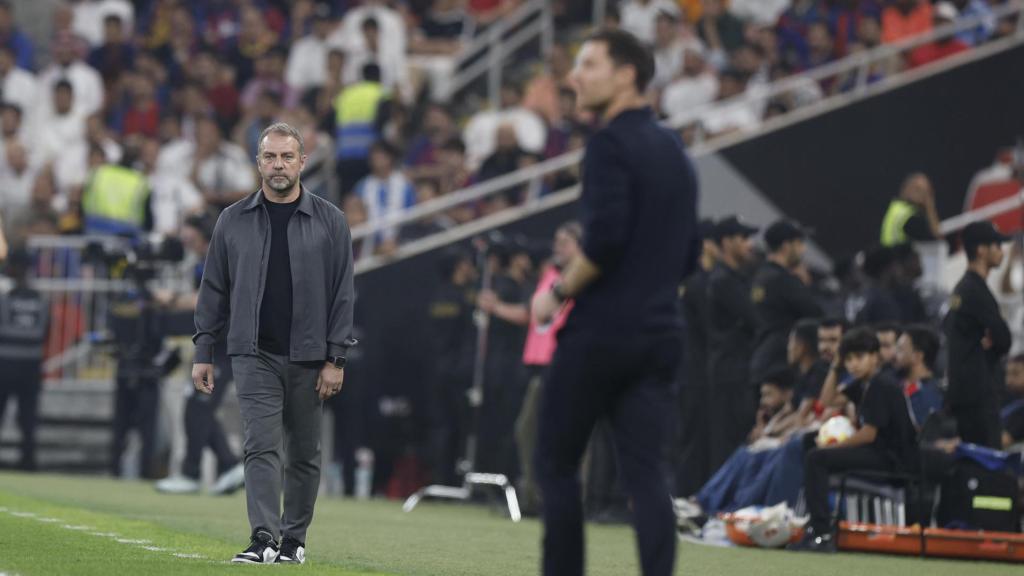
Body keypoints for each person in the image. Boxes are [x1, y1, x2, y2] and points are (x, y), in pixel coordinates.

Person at [530, 29, 697, 576]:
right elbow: (690, 252)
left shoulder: (608, 145)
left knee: (555, 462)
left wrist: (556, 294)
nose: (574, 76)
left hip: (602, 333)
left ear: (627, 75)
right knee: (647, 476)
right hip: (662, 333)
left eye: (589, 64)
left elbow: (603, 242)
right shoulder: (676, 150)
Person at [193, 123, 356, 564]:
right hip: (253, 353)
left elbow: (343, 294)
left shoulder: (331, 221)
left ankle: (293, 540)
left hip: (310, 357)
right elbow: (213, 290)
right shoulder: (232, 220)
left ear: (303, 162)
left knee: (303, 453)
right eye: (270, 157)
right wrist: (203, 350)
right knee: (260, 445)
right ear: (258, 162)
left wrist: (336, 358)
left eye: (286, 157)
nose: (278, 165)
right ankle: (264, 537)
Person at [790, 327, 920, 552]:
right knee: (810, 441)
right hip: (876, 451)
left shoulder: (882, 384)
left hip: (892, 459)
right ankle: (813, 520)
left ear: (875, 357)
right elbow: (827, 400)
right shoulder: (862, 383)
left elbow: (869, 434)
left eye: (859, 357)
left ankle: (822, 533)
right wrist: (835, 365)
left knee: (817, 458)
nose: (853, 364)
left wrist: (833, 447)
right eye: (848, 359)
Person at [155, 214, 245, 495]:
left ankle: (191, 473)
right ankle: (229, 465)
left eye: (190, 235)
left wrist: (172, 299)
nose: (186, 240)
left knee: (197, 407)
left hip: (225, 346)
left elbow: (210, 299)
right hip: (216, 345)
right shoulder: (207, 261)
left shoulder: (220, 260)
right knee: (199, 407)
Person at [515, 222, 582, 514]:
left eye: (565, 242)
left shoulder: (584, 275)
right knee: (527, 429)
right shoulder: (552, 275)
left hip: (570, 364)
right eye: (557, 241)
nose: (558, 247)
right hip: (543, 365)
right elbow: (538, 313)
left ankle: (573, 501)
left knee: (572, 436)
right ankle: (534, 497)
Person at [944, 221, 1012, 448]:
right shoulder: (975, 291)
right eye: (997, 246)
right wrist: (990, 347)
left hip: (966, 392)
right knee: (987, 459)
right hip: (978, 395)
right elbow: (1003, 339)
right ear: (981, 250)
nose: (1002, 252)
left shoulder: (963, 288)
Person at [706, 215, 759, 472]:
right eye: (744, 238)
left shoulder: (736, 278)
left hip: (737, 368)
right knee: (729, 443)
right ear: (726, 242)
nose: (750, 244)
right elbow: (754, 319)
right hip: (729, 371)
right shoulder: (723, 280)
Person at [676, 218, 717, 496]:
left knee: (688, 436)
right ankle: (686, 494)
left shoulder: (685, 278)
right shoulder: (699, 282)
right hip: (696, 370)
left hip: (685, 368)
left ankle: (684, 493)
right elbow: (709, 328)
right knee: (694, 437)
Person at [750, 220, 822, 379]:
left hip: (762, 359)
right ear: (786, 246)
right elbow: (816, 313)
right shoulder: (782, 280)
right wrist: (805, 285)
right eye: (799, 243)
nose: (803, 249)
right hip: (781, 366)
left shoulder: (760, 276)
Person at [0, 248, 48, 470]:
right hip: (31, 364)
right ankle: (28, 461)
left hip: (5, 365)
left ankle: (28, 460)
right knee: (28, 417)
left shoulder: (6, 300)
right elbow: (44, 332)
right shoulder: (41, 300)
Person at [893, 325, 944, 428]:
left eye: (900, 350)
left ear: (917, 356)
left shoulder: (929, 394)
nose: (894, 355)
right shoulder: (898, 383)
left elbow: (926, 434)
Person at [879, 173, 941, 246]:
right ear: (907, 188)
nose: (924, 195)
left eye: (927, 191)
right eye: (918, 189)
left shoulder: (896, 208)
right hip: (898, 253)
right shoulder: (908, 217)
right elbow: (936, 239)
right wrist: (930, 207)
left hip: (892, 252)